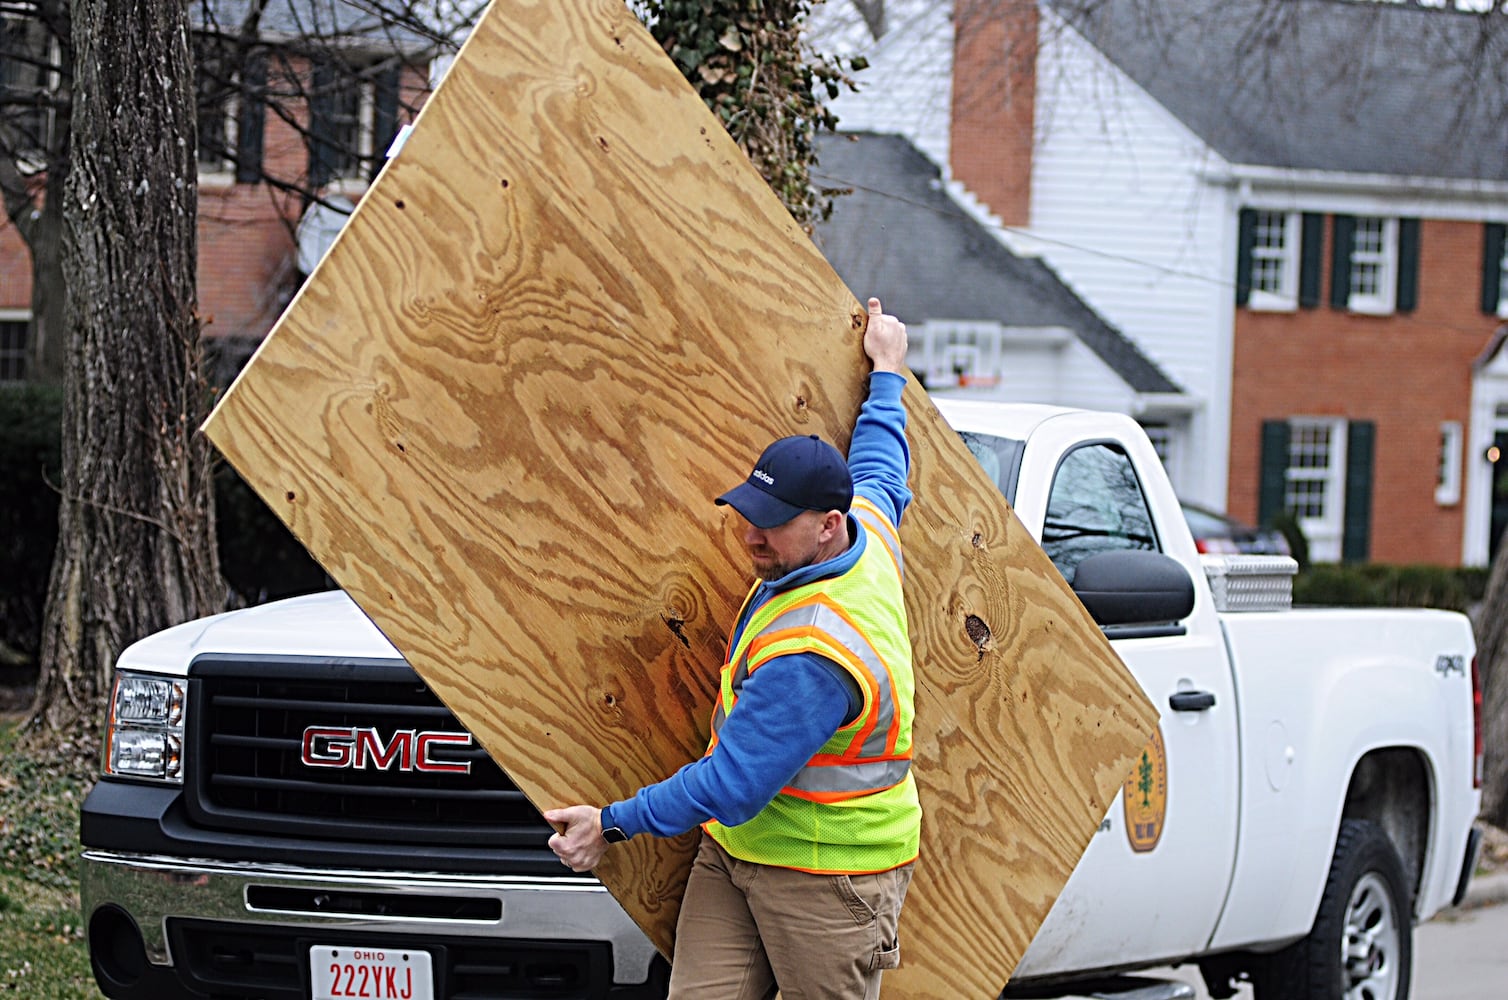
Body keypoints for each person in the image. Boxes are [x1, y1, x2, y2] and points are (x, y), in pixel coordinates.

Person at [545, 297, 920, 1000]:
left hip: (829, 878)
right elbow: (880, 465)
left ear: (827, 528)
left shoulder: (813, 655)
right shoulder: (865, 528)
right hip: (737, 851)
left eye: (771, 527)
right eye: (748, 515)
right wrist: (889, 367)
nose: (751, 538)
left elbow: (732, 784)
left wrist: (612, 823)